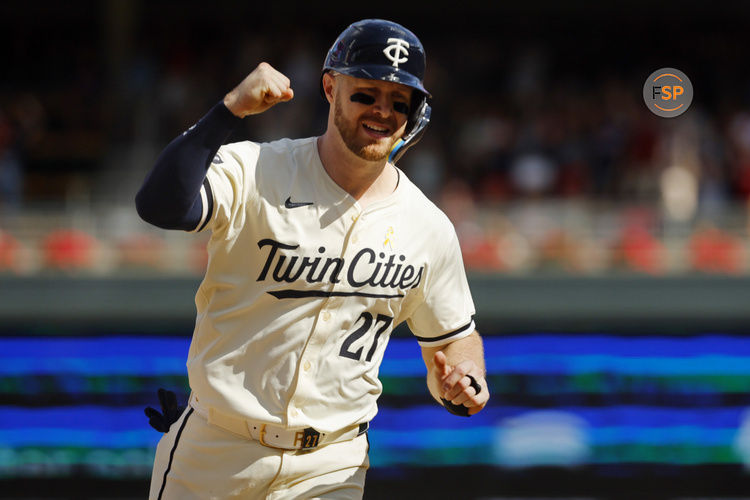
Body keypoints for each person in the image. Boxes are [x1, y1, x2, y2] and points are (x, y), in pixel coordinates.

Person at [136, 19, 489, 500]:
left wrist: (465, 379)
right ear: (330, 87)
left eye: (399, 101)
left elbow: (456, 339)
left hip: (332, 465)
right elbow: (160, 205)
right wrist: (229, 110)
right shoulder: (257, 168)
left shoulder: (428, 226)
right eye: (367, 93)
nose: (382, 111)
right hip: (218, 449)